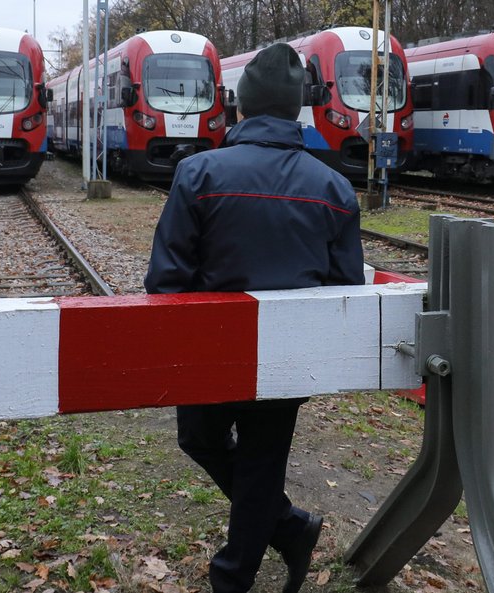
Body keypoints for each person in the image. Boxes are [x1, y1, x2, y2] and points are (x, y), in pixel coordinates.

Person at [144, 42, 364, 593]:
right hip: (289, 360)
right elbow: (347, 291)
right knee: (262, 461)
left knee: (199, 438)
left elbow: (165, 280)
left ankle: (238, 573)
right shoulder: (334, 189)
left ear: (241, 106)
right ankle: (288, 528)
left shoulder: (197, 174)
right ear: (297, 109)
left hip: (208, 355)